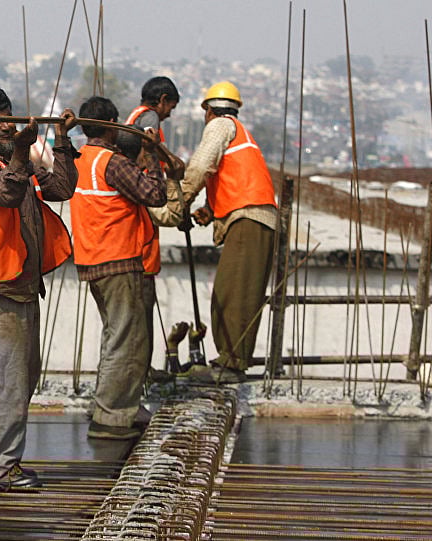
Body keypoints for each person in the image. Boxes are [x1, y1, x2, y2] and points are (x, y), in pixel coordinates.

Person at [0, 84, 77, 491]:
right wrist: (22, 153)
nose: (6, 124)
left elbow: (61, 189)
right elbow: (6, 193)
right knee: (10, 382)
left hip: (22, 284)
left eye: (7, 116)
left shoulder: (16, 161)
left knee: (22, 378)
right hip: (1, 284)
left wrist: (62, 141)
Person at [70, 97, 166, 440]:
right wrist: (152, 154)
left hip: (93, 257)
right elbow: (154, 194)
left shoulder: (80, 159)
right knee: (125, 339)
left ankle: (118, 406)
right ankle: (111, 416)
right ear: (112, 124)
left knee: (118, 335)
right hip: (118, 258)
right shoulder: (110, 161)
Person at [181, 81, 277, 384]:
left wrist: (181, 198)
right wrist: (209, 210)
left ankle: (231, 364)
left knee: (235, 294)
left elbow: (200, 165)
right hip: (249, 217)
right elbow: (226, 178)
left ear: (208, 110)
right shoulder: (237, 132)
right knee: (230, 291)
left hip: (251, 218)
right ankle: (229, 360)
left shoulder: (220, 125)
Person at [124, 76, 187, 370]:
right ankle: (142, 370)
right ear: (161, 100)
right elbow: (150, 145)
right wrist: (173, 164)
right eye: (170, 107)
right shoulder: (148, 117)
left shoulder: (134, 116)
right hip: (144, 198)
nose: (169, 113)